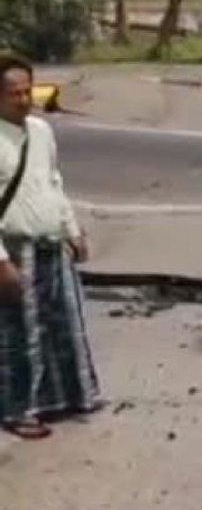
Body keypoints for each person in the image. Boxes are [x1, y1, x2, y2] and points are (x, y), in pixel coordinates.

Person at [0, 55, 102, 440]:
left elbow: (53, 182)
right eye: (14, 94)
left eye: (28, 91)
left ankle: (69, 396)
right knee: (18, 334)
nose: (24, 100)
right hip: (13, 247)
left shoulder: (41, 131)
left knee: (61, 324)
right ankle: (18, 409)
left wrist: (72, 229)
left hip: (51, 242)